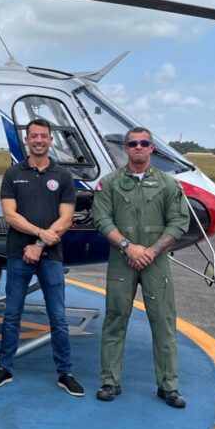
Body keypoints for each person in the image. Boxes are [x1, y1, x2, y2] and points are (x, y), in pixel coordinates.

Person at [91, 127, 190, 408]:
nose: (138, 147)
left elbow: (179, 222)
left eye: (143, 143)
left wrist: (152, 250)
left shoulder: (168, 184)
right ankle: (110, 382)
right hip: (122, 261)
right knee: (115, 319)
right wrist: (128, 247)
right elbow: (102, 219)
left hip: (156, 263)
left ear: (151, 149)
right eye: (132, 143)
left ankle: (168, 386)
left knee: (163, 322)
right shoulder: (110, 183)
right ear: (126, 148)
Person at [0, 119, 84, 397]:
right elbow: (10, 215)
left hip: (50, 255)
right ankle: (5, 367)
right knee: (12, 314)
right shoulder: (13, 173)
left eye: (43, 136)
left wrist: (39, 243)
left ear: (51, 140)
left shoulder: (63, 176)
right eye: (34, 136)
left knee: (58, 317)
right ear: (27, 140)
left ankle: (65, 372)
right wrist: (41, 234)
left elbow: (66, 218)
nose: (39, 140)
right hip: (18, 253)